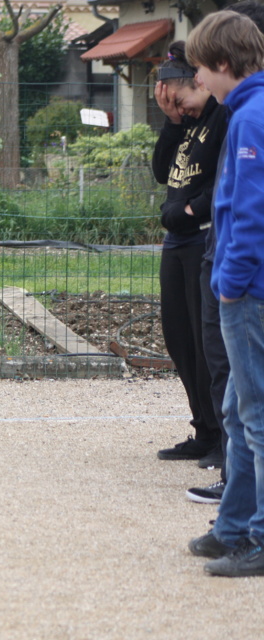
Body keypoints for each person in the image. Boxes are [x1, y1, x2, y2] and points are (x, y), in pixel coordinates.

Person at [185, 9, 264, 577]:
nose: (198, 85)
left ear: (221, 64)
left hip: (249, 293)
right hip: (246, 288)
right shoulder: (247, 112)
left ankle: (256, 538)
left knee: (256, 417)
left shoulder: (251, 118)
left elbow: (249, 212)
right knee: (238, 413)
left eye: (200, 72)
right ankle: (232, 526)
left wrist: (230, 285)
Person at [151, 42, 226, 470]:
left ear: (199, 81)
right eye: (169, 103)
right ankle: (202, 428)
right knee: (179, 338)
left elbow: (227, 178)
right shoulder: (185, 120)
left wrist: (192, 208)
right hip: (176, 241)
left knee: (206, 342)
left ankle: (221, 436)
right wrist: (172, 122)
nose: (180, 107)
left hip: (202, 238)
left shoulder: (223, 117)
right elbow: (163, 172)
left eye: (180, 98)